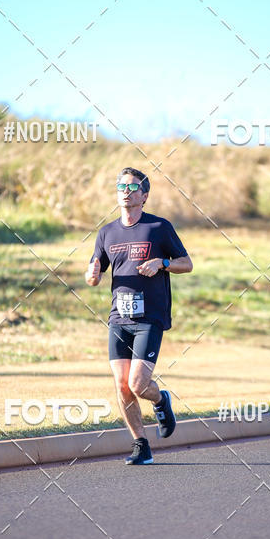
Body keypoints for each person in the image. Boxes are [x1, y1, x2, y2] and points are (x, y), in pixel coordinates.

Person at [85, 167, 193, 465]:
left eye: (132, 188)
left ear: (144, 196)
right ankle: (141, 445)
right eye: (121, 186)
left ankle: (160, 400)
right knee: (121, 385)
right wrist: (91, 274)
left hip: (150, 317)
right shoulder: (107, 232)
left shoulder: (158, 227)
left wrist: (161, 262)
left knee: (138, 383)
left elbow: (187, 264)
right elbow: (94, 275)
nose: (125, 191)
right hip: (119, 318)